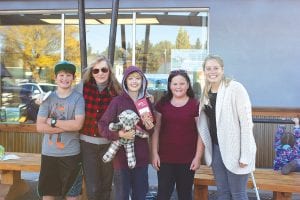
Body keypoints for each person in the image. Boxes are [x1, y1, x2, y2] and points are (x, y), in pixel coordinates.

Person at [197, 55, 257, 200]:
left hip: (236, 150)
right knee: (223, 193)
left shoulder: (235, 88)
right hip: (216, 149)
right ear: (204, 71)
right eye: (208, 68)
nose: (212, 72)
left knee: (238, 194)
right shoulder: (206, 91)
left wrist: (245, 155)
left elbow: (247, 123)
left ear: (222, 69)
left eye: (216, 68)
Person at [98, 65, 155, 200]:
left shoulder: (145, 102)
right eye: (130, 78)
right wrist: (119, 135)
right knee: (122, 195)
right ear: (125, 81)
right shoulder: (117, 101)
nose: (134, 81)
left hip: (141, 158)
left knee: (140, 195)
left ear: (142, 81)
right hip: (121, 160)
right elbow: (102, 125)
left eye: (137, 78)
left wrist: (149, 125)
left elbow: (151, 130)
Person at [74, 55, 122, 200]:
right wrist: (46, 100)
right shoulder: (82, 87)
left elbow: (133, 99)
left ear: (109, 71)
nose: (100, 73)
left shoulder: (117, 90)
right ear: (91, 72)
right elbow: (64, 96)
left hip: (109, 144)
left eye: (104, 69)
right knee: (93, 187)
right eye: (96, 70)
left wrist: (147, 97)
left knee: (106, 186)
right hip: (87, 144)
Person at [151, 69, 204, 200]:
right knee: (163, 195)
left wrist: (198, 157)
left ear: (188, 85)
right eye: (175, 84)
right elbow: (155, 131)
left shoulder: (195, 105)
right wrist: (154, 154)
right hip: (165, 159)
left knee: (185, 195)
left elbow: (201, 134)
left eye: (182, 83)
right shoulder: (162, 104)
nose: (178, 87)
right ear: (169, 85)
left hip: (187, 160)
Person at [36, 61, 85, 200]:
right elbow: (40, 127)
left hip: (71, 155)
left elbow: (77, 125)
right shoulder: (47, 98)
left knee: (72, 195)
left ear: (73, 78)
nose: (65, 78)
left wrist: (51, 122)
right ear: (55, 78)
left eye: (68, 75)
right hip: (49, 154)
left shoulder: (78, 99)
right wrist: (65, 126)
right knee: (48, 194)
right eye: (61, 75)